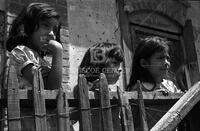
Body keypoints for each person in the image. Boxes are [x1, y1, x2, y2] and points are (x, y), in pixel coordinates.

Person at [6, 3, 63, 131]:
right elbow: (50, 86)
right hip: (30, 122)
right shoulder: (20, 51)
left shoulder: (43, 61)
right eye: (45, 25)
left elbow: (54, 89)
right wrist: (58, 51)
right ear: (27, 27)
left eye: (55, 29)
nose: (52, 34)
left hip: (47, 121)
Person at [126, 36, 182, 130]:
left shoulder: (170, 85)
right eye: (160, 58)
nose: (166, 63)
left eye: (167, 58)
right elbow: (132, 121)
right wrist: (153, 97)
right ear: (144, 63)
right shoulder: (138, 88)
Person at [73, 42, 124, 131]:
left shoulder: (109, 90)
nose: (120, 68)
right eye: (115, 63)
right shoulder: (82, 89)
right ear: (99, 66)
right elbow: (70, 117)